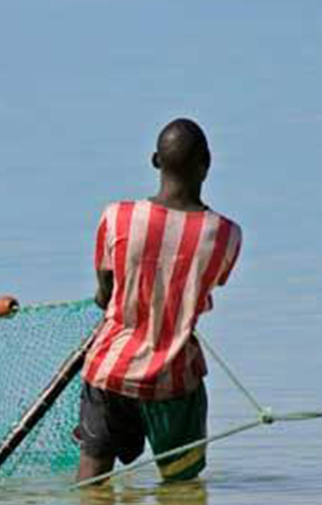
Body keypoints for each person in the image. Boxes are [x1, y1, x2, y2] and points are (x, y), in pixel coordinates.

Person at [76, 118, 242, 483]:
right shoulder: (227, 234)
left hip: (109, 370)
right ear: (208, 162)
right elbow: (205, 287)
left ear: (155, 160)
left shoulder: (116, 217)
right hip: (173, 378)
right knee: (180, 490)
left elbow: (105, 295)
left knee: (92, 479)